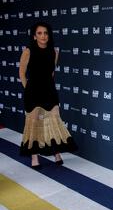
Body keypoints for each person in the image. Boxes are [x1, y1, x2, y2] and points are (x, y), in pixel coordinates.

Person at [19, 22, 77, 168]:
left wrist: (48, 88)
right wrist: (28, 89)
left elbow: (51, 73)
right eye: (39, 33)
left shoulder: (54, 52)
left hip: (49, 91)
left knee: (54, 121)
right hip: (33, 92)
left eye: (45, 33)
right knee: (34, 124)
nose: (43, 36)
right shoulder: (28, 51)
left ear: (49, 35)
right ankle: (34, 157)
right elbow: (21, 73)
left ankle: (56, 152)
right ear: (34, 36)